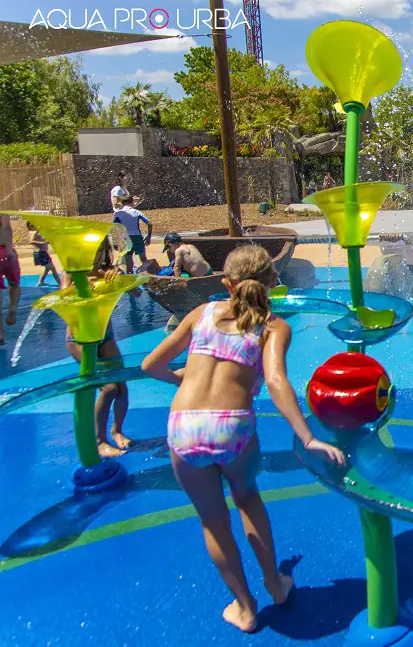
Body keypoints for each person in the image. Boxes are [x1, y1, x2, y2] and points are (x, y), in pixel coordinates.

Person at [141, 245, 345, 633]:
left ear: (225, 283)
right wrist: (307, 437)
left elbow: (150, 364)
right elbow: (275, 380)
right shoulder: (273, 326)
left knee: (213, 523)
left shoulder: (201, 314)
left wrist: (181, 377)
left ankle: (245, 608)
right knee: (248, 500)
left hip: (184, 427)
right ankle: (276, 585)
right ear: (272, 281)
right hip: (233, 426)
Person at [63, 238, 130, 456]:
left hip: (105, 336)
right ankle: (99, 441)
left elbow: (134, 290)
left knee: (121, 386)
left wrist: (117, 276)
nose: (96, 255)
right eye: (92, 250)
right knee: (108, 388)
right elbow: (65, 295)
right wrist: (87, 281)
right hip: (79, 339)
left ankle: (117, 431)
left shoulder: (110, 271)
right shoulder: (72, 273)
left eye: (101, 250)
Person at [112, 197, 152, 274]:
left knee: (128, 261)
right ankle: (152, 276)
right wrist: (148, 237)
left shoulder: (117, 213)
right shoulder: (136, 212)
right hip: (137, 237)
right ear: (132, 202)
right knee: (143, 259)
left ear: (122, 203)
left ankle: (130, 278)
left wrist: (115, 241)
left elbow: (114, 228)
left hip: (126, 238)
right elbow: (149, 223)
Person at [0, 213, 21, 342]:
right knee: (14, 284)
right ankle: (13, 307)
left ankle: (0, 334)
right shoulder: (2, 211)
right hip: (7, 253)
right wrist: (8, 249)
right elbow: (6, 227)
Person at [27, 221, 60, 287]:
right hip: (40, 253)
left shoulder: (36, 232)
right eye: (34, 225)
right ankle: (60, 283)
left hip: (43, 253)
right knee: (53, 268)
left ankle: (40, 282)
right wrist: (42, 243)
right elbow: (31, 241)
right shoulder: (33, 232)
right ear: (30, 226)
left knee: (47, 268)